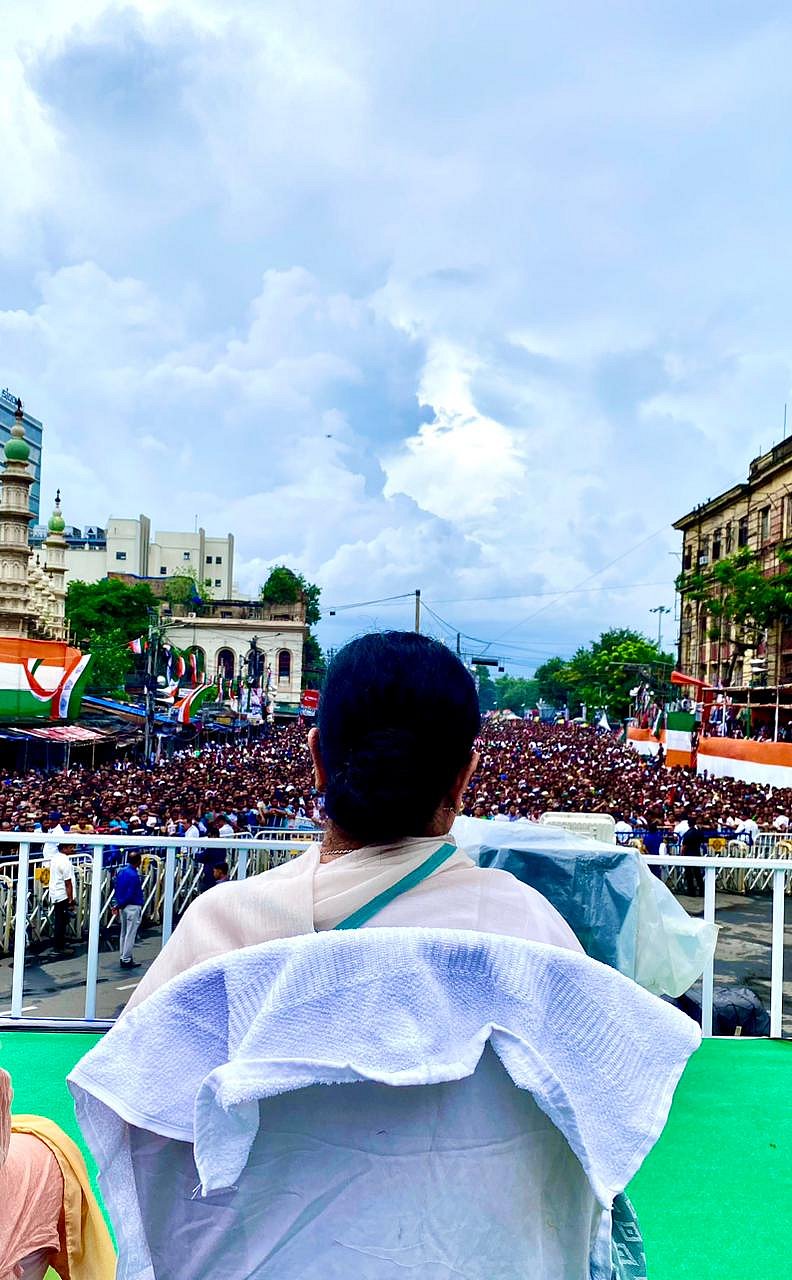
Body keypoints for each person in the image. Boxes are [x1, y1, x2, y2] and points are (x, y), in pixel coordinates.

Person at [128, 632, 582, 1011]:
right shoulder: (529, 929)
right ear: (464, 778)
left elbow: (132, 1102)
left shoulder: (222, 927)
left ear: (317, 759)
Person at [114, 852, 144, 970]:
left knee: (123, 933)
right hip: (132, 906)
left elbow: (116, 887)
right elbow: (131, 893)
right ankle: (126, 959)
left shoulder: (121, 872)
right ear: (138, 861)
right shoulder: (134, 876)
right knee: (130, 934)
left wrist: (118, 904)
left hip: (123, 906)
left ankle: (123, 956)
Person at [47, 843, 75, 956]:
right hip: (63, 894)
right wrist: (70, 900)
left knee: (60, 920)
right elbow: (68, 883)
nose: (73, 849)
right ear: (64, 848)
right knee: (61, 922)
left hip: (55, 893)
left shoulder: (55, 858)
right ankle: (59, 947)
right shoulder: (65, 862)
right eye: (70, 847)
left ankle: (60, 944)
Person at [680, 816, 706, 895]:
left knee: (689, 874)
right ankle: (702, 890)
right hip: (696, 853)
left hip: (688, 855)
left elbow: (684, 846)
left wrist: (681, 855)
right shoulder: (698, 832)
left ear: (688, 824)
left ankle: (691, 891)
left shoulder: (687, 834)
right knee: (697, 873)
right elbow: (702, 840)